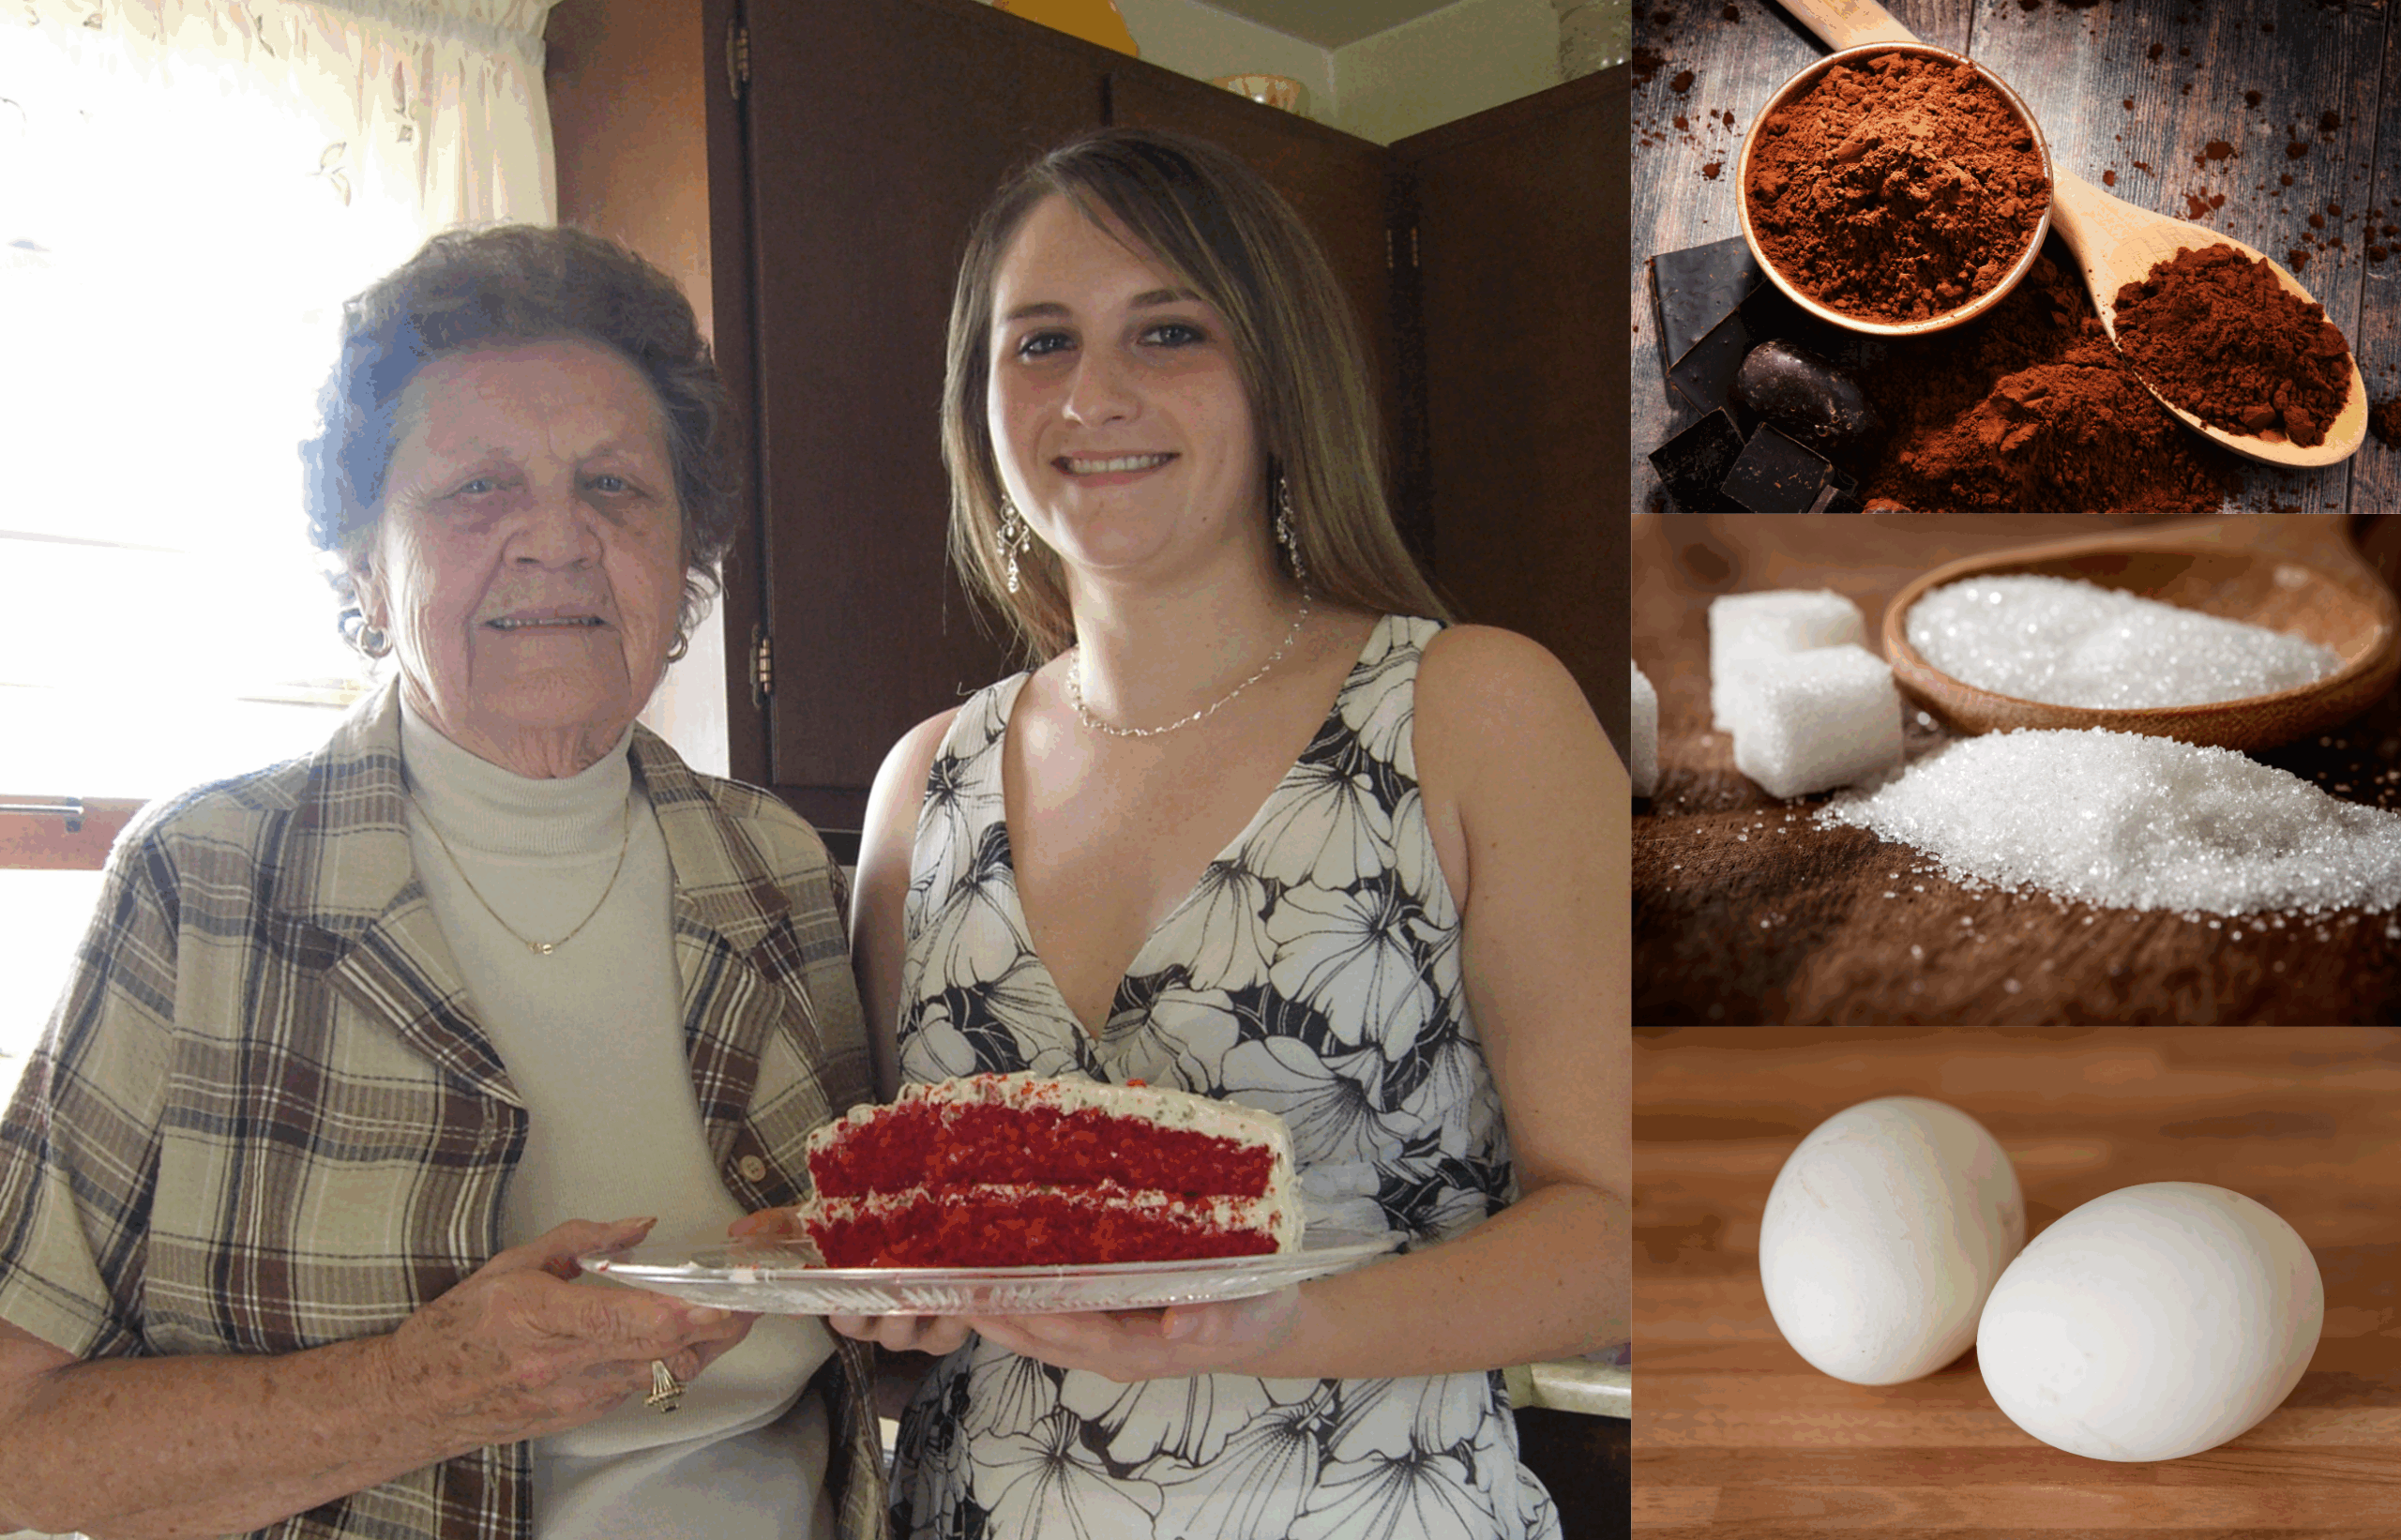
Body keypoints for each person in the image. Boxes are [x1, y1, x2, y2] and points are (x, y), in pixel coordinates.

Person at [0, 226, 884, 1539]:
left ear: (687, 555)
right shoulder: (204, 886)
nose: (555, 538)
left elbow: (887, 1336)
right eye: (477, 488)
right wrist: (428, 1390)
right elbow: (19, 1442)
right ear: (365, 559)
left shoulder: (781, 876)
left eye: (614, 486)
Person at [833, 128, 1630, 1540]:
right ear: (980, 402)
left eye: (1170, 329)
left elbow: (1623, 1230)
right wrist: (888, 1306)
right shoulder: (921, 788)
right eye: (1041, 342)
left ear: (1277, 378)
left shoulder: (1469, 711)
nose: (1096, 392)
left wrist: (1269, 1325)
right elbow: (909, 1324)